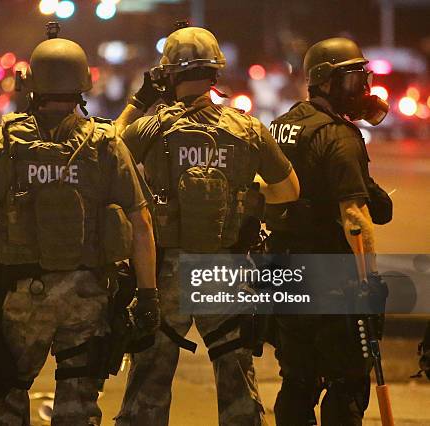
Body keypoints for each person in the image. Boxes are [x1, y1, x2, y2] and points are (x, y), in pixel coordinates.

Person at [0, 31, 158, 426]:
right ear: (82, 86)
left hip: (22, 296)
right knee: (78, 405)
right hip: (86, 297)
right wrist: (148, 294)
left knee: (5, 402)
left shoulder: (2, 142)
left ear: (31, 86)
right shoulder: (105, 143)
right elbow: (141, 221)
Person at [114, 26, 299, 426]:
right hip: (227, 269)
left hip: (167, 272)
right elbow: (289, 191)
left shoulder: (151, 128)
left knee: (148, 385)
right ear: (216, 73)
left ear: (168, 76)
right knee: (238, 388)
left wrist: (138, 101)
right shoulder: (247, 128)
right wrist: (247, 195)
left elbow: (106, 154)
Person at [264, 37, 392, 425]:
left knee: (298, 381)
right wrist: (366, 280)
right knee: (347, 383)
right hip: (331, 280)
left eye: (362, 79)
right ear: (325, 83)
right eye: (352, 81)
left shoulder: (283, 125)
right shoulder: (339, 136)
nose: (362, 90)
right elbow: (354, 217)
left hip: (285, 273)